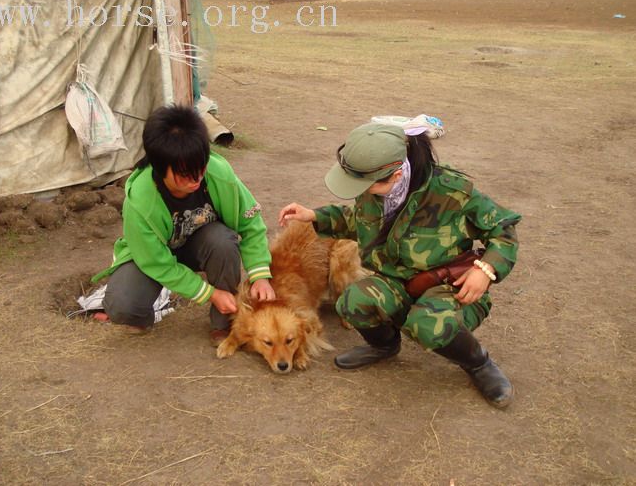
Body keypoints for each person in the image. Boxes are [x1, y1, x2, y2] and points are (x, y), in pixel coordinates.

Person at [278, 123, 521, 408]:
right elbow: (358, 220)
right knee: (352, 301)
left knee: (428, 326)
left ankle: (479, 363)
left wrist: (485, 270)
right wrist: (314, 216)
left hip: (448, 288)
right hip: (397, 282)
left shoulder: (452, 192)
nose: (363, 192)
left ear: (394, 174)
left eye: (366, 185)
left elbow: (503, 231)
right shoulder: (376, 190)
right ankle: (385, 346)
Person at [92, 105, 275, 345]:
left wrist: (260, 273)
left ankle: (224, 322)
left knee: (222, 241)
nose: (196, 179)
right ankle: (145, 310)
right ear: (159, 169)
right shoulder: (140, 200)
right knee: (124, 307)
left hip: (202, 245)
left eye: (201, 167)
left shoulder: (219, 175)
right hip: (154, 255)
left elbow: (250, 223)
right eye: (184, 174)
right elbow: (155, 261)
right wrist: (208, 293)